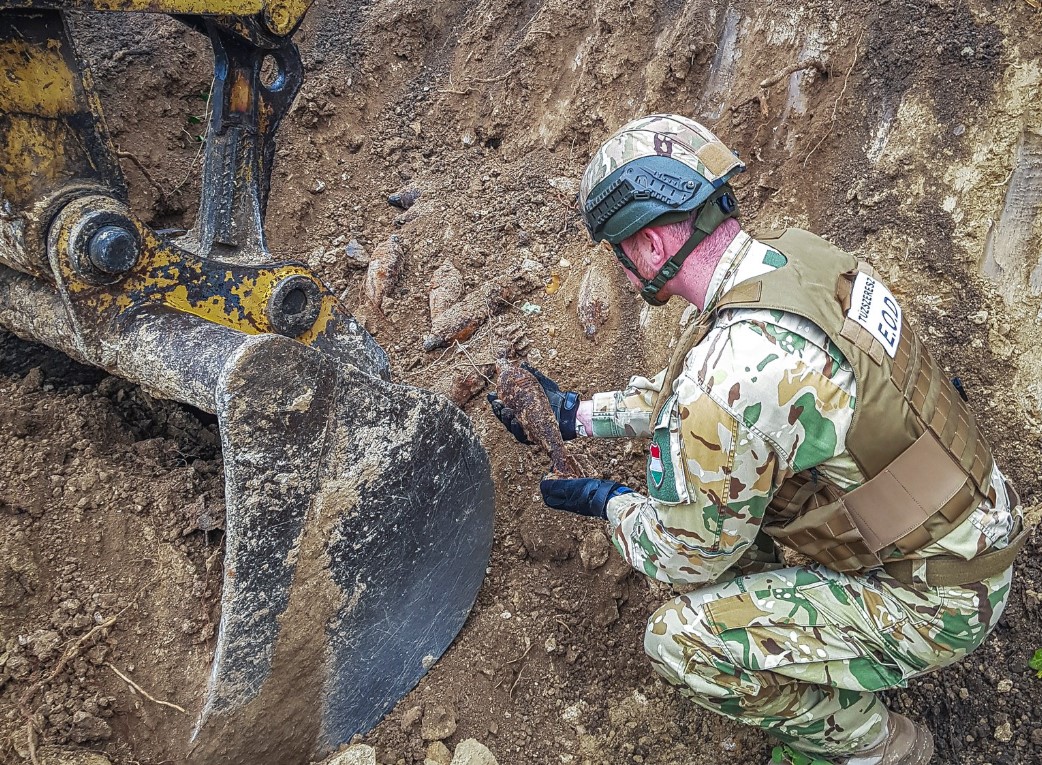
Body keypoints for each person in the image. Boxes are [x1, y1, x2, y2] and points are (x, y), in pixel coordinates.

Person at [487, 114, 1026, 765]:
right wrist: (576, 414)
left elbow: (685, 556)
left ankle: (879, 746)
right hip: (973, 516)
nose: (623, 269)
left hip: (941, 598)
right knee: (748, 516)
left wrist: (609, 504)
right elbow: (701, 385)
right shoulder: (799, 263)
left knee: (680, 640)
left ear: (653, 247)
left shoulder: (733, 370)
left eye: (619, 249)